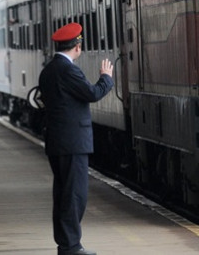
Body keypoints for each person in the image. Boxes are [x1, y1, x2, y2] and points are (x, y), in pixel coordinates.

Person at [39, 22, 114, 255]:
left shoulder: (49, 69)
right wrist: (106, 78)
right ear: (77, 46)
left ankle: (67, 244)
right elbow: (92, 93)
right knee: (74, 195)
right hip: (72, 142)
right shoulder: (68, 70)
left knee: (63, 194)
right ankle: (71, 246)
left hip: (59, 141)